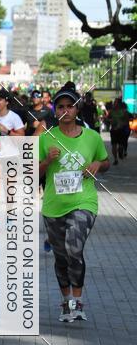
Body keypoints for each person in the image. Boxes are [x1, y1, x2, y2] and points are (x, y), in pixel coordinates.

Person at [39, 86, 109, 322]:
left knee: (73, 248)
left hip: (84, 202)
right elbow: (30, 171)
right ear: (55, 110)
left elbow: (105, 160)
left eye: (70, 106)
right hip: (53, 206)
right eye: (60, 106)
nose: (65, 110)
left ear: (77, 108)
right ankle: (66, 302)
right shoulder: (45, 138)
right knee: (61, 257)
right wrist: (47, 160)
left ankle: (78, 301)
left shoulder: (92, 137)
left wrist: (98, 165)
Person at [0, 89, 25, 232]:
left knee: (9, 190)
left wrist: (7, 131)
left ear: (6, 101)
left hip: (11, 157)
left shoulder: (14, 117)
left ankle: (10, 219)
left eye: (0, 100)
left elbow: (22, 138)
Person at [109, 98, 131, 164]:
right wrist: (110, 121)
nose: (114, 104)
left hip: (121, 130)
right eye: (114, 102)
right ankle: (115, 159)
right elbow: (108, 118)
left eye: (116, 102)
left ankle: (121, 150)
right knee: (114, 145)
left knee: (121, 145)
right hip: (113, 130)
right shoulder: (111, 111)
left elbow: (127, 121)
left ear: (119, 104)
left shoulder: (124, 111)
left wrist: (121, 124)